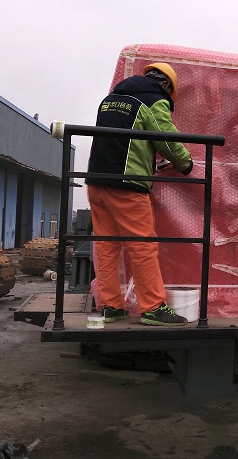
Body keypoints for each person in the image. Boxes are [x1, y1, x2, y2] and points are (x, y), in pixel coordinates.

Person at [85, 62, 193, 326]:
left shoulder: (110, 100)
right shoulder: (154, 100)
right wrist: (185, 163)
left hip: (97, 182)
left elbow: (124, 142)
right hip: (127, 185)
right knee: (142, 245)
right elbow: (166, 139)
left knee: (107, 245)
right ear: (166, 85)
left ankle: (111, 305)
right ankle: (153, 307)